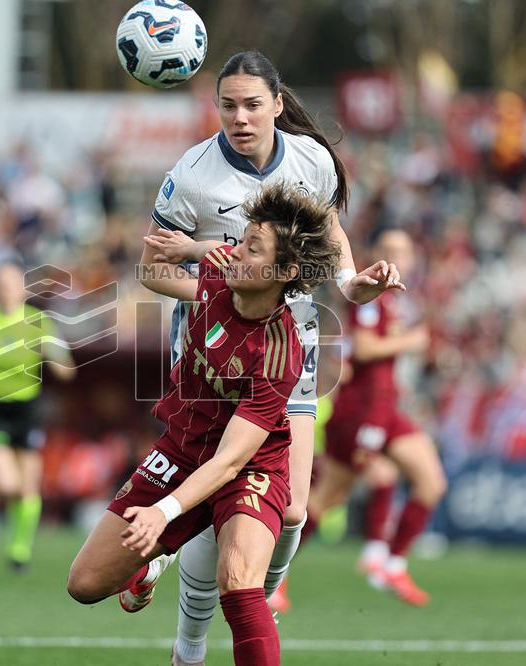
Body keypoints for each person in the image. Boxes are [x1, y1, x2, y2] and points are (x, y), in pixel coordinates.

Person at [136, 50, 402, 666]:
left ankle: (201, 571)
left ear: (279, 104)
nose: (241, 117)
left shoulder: (311, 160)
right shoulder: (193, 173)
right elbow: (151, 269)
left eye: (253, 104)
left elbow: (330, 243)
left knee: (294, 511)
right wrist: (215, 280)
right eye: (228, 105)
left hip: (288, 349)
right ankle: (190, 647)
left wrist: (356, 283)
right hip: (212, 355)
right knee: (223, 493)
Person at [67, 182, 341, 666]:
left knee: (237, 580)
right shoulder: (220, 272)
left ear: (285, 272)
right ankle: (153, 564)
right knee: (84, 585)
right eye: (240, 241)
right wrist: (189, 246)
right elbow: (151, 274)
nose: (236, 252)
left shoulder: (281, 352)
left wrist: (163, 513)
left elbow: (232, 458)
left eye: (252, 248)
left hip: (250, 468)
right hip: (179, 450)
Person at [302, 227, 447, 606]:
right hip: (361, 407)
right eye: (388, 250)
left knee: (430, 481)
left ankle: (391, 565)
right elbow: (363, 349)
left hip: (386, 407)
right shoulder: (370, 295)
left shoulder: (397, 301)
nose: (396, 258)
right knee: (329, 497)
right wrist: (411, 342)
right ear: (375, 254)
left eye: (403, 251)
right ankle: (272, 574)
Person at [0, 261, 76, 571]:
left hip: (27, 408)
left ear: (22, 289)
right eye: (1, 285)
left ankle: (19, 548)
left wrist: (50, 353)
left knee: (28, 486)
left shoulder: (38, 322)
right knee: (7, 485)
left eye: (11, 285)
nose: (6, 291)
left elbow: (66, 368)